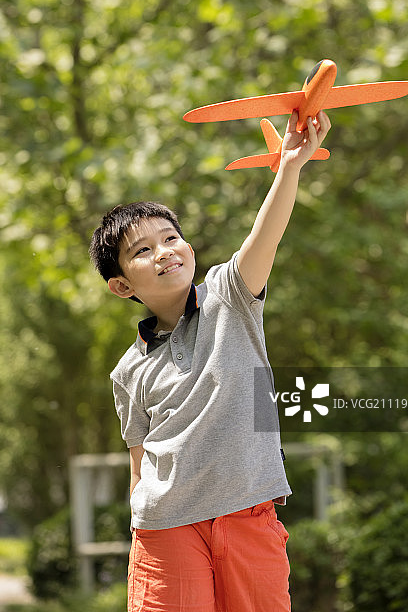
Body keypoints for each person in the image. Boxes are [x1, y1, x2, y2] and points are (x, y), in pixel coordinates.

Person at [89, 109, 331, 612]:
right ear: (122, 286)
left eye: (170, 238)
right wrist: (139, 529)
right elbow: (140, 463)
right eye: (142, 250)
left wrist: (290, 165)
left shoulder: (230, 297)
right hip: (166, 530)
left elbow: (265, 236)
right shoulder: (128, 371)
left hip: (248, 515)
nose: (163, 252)